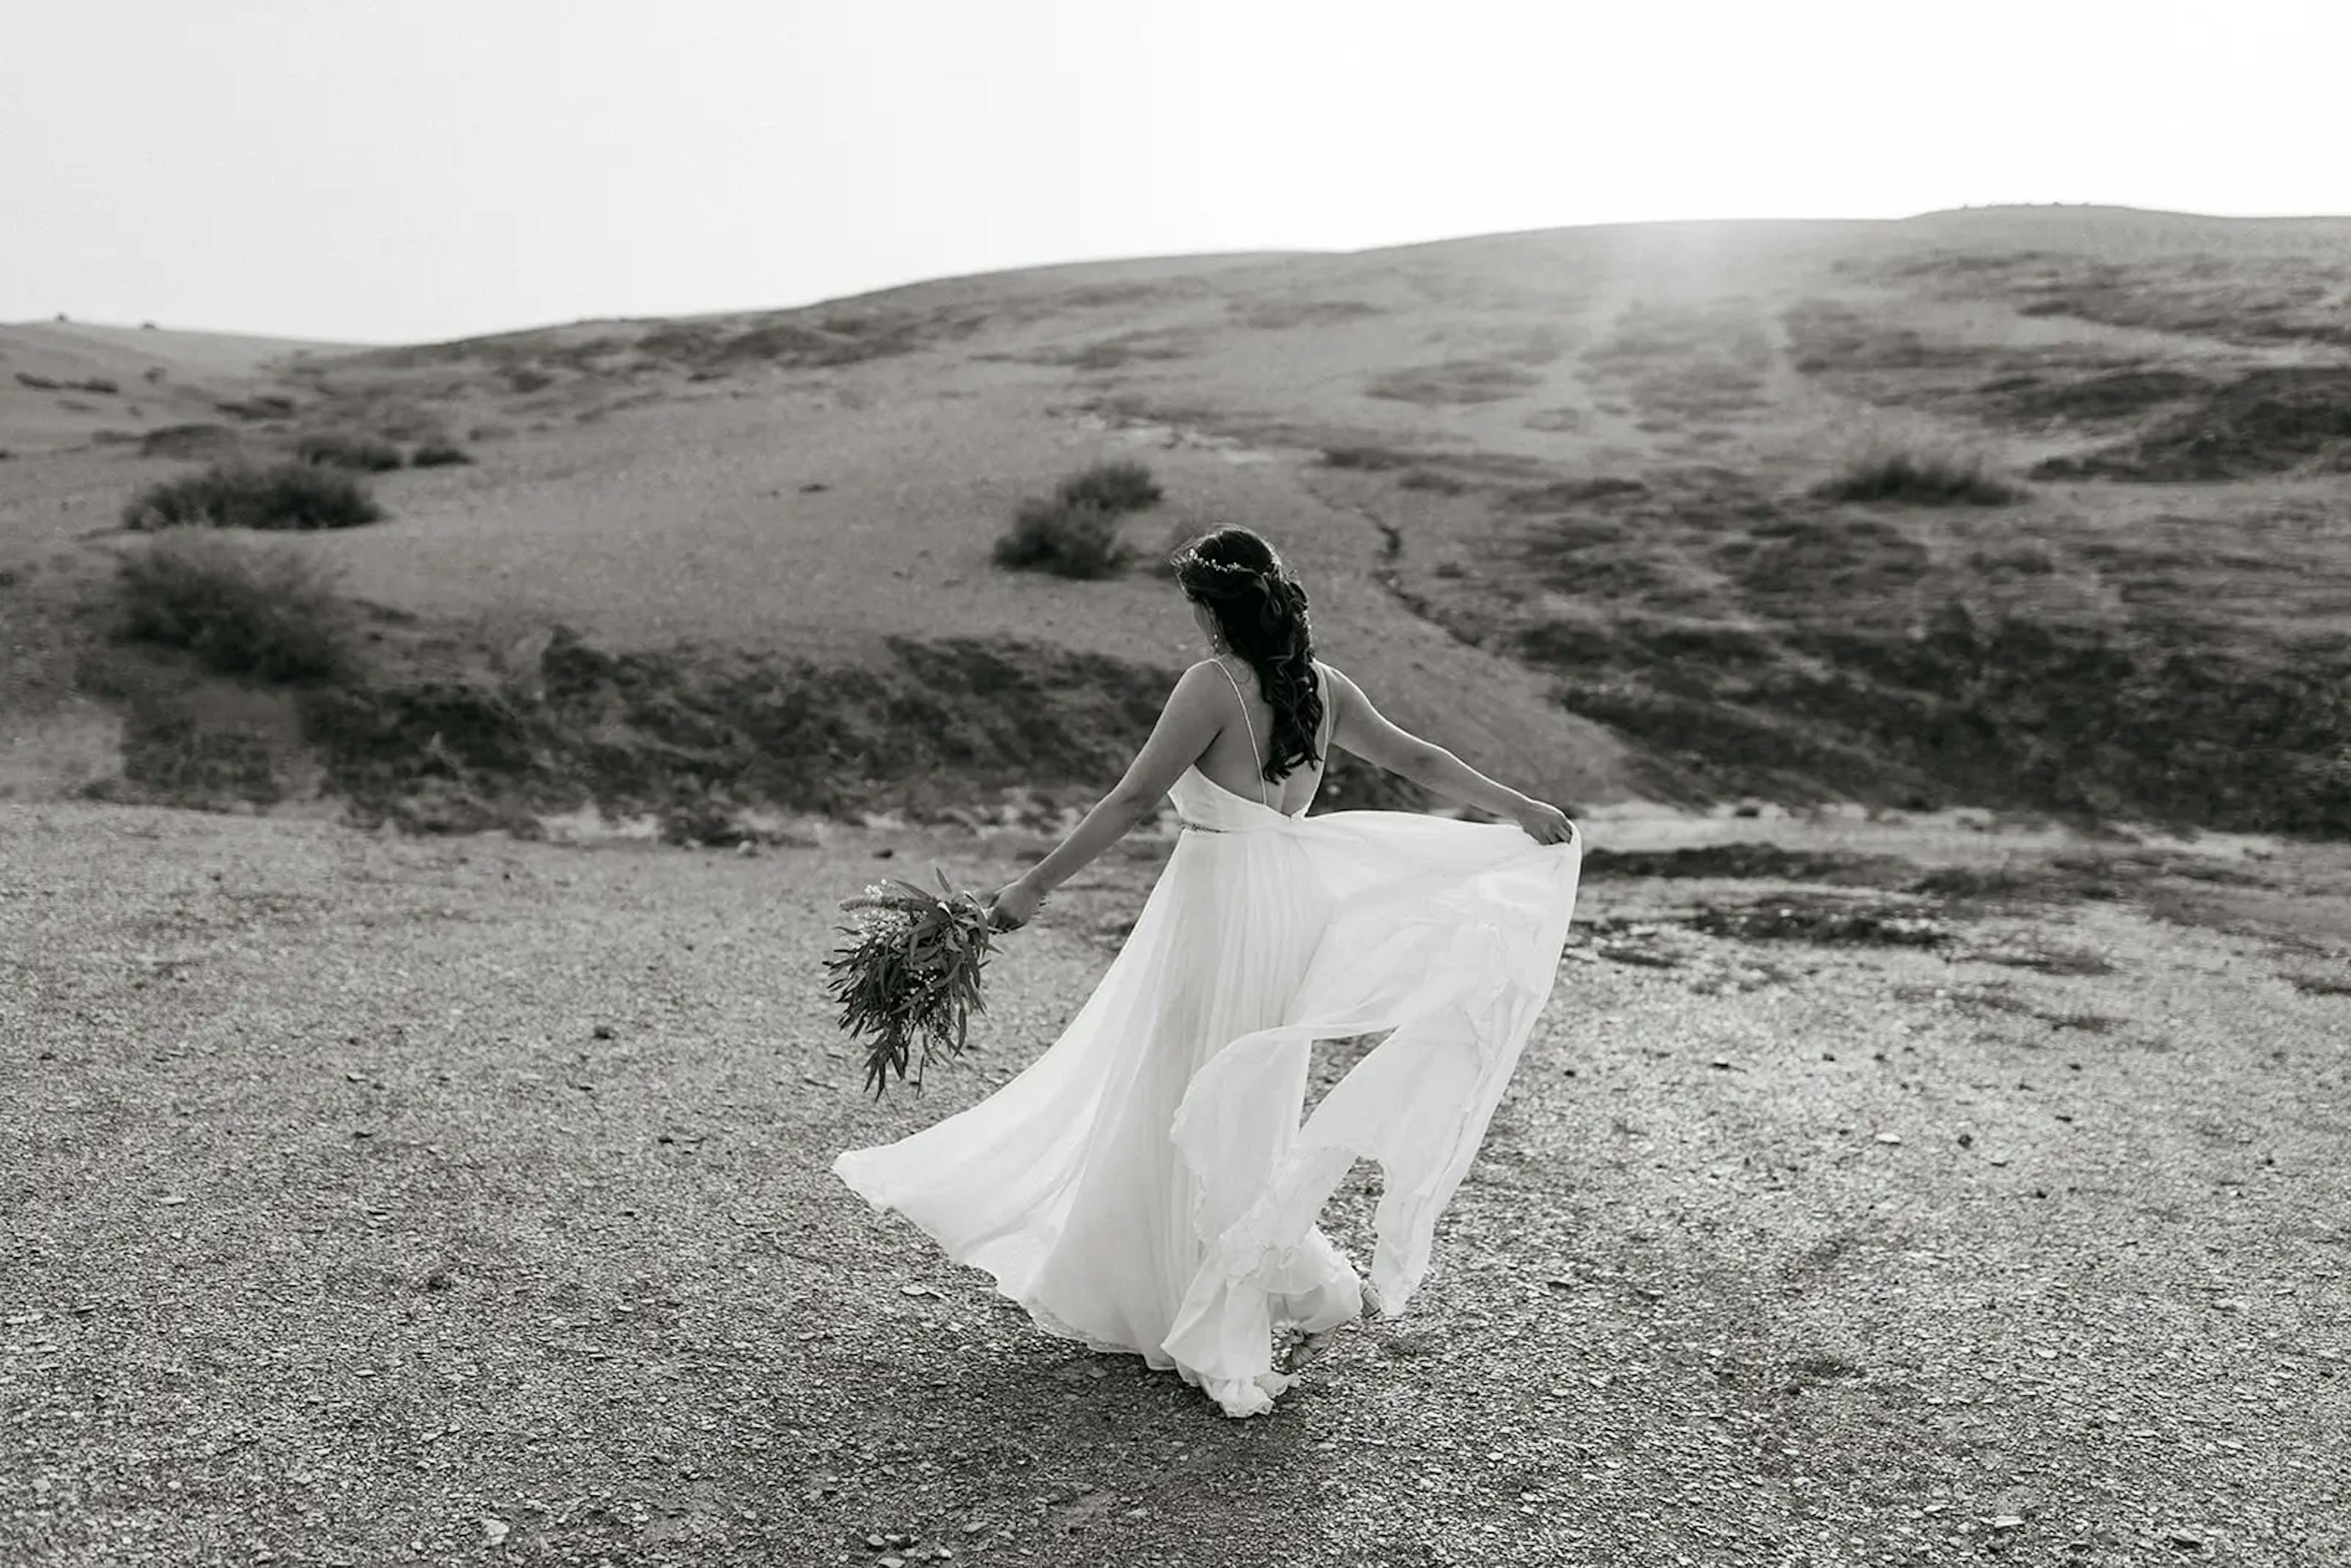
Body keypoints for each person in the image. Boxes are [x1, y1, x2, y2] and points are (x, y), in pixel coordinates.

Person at [833, 525, 1582, 1417]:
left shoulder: (1211, 685)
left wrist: (1034, 887)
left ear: (1210, 608)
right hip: (1287, 906)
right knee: (1248, 1089)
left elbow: (1135, 797)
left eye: (1190, 602)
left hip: (1220, 900)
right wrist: (1521, 806)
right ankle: (1223, 1268)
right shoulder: (1322, 688)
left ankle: (1184, 1292)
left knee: (1180, 1081)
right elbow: (1416, 760)